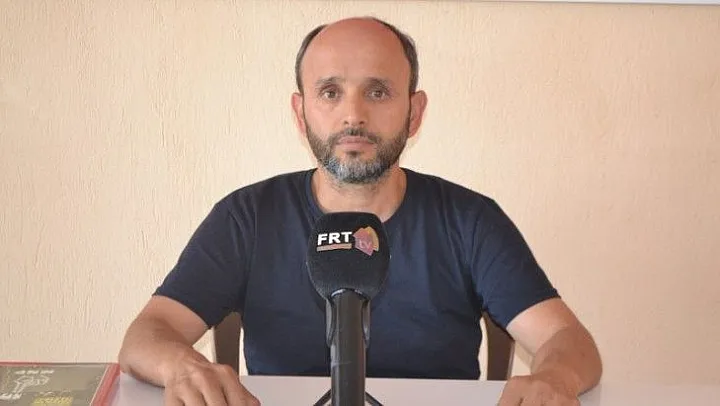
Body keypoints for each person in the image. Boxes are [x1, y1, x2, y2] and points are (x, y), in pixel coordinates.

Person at [118, 16, 602, 406]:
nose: (354, 115)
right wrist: (184, 367)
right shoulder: (247, 216)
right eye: (330, 92)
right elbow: (146, 335)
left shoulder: (469, 220)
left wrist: (554, 377)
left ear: (414, 112)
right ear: (300, 112)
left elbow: (568, 339)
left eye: (378, 91)